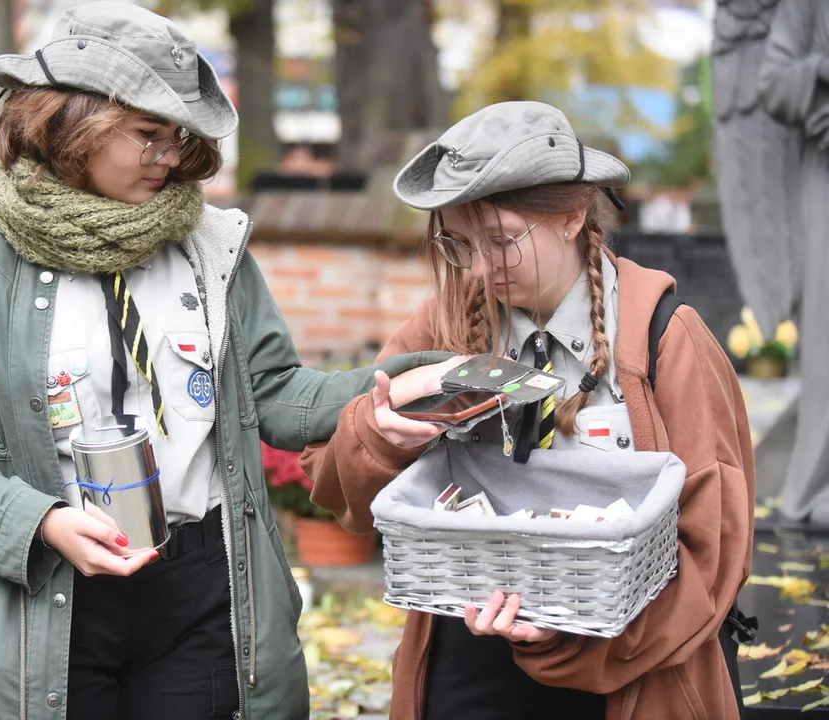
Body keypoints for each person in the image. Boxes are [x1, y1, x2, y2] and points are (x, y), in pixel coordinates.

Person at [0, 4, 447, 719]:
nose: (170, 158)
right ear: (70, 122)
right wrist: (40, 521)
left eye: (177, 137)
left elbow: (271, 392)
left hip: (200, 594)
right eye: (147, 135)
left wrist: (389, 387)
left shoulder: (213, 249)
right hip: (49, 597)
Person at [300, 101, 756, 720]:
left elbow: (717, 543)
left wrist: (570, 642)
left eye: (500, 241)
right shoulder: (442, 324)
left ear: (571, 217)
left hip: (627, 671)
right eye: (461, 245)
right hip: (464, 659)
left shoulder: (665, 338)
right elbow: (334, 489)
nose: (480, 270)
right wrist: (381, 440)